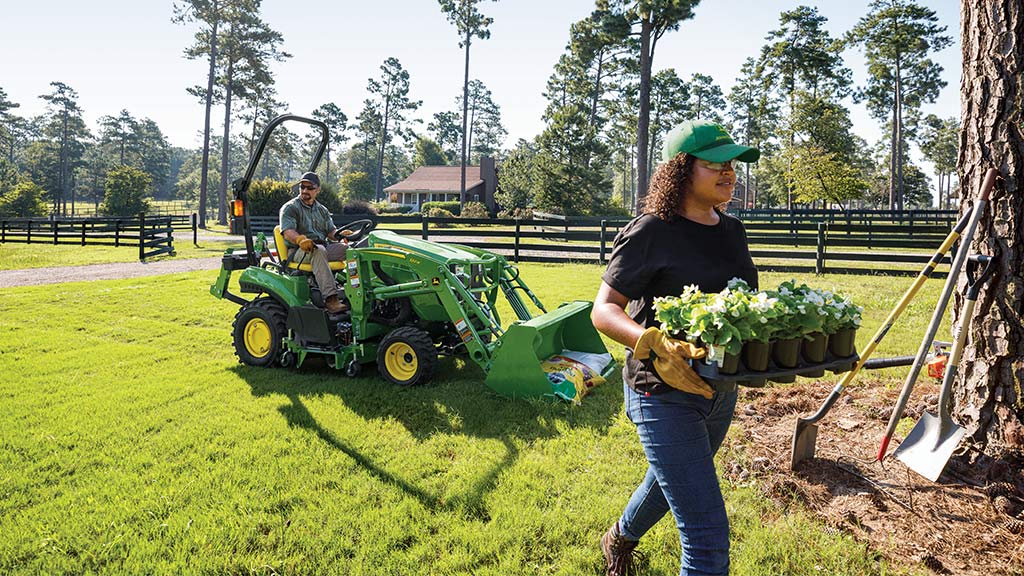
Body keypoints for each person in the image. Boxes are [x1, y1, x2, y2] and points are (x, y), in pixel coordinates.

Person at [591, 120, 760, 576]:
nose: (730, 173)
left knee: (670, 482)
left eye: (732, 166)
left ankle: (618, 538)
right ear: (682, 170)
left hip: (719, 389)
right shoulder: (652, 230)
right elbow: (604, 310)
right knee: (706, 533)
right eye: (716, 165)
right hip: (659, 393)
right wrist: (651, 341)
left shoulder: (732, 230)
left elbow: (738, 304)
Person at [279, 172, 350, 314]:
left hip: (321, 246)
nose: (305, 191)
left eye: (309, 188)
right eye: (302, 187)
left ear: (318, 190)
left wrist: (342, 235)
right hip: (299, 251)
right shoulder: (291, 207)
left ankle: (358, 291)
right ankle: (331, 300)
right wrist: (300, 239)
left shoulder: (322, 210)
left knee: (351, 250)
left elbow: (331, 232)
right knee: (318, 250)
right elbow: (288, 231)